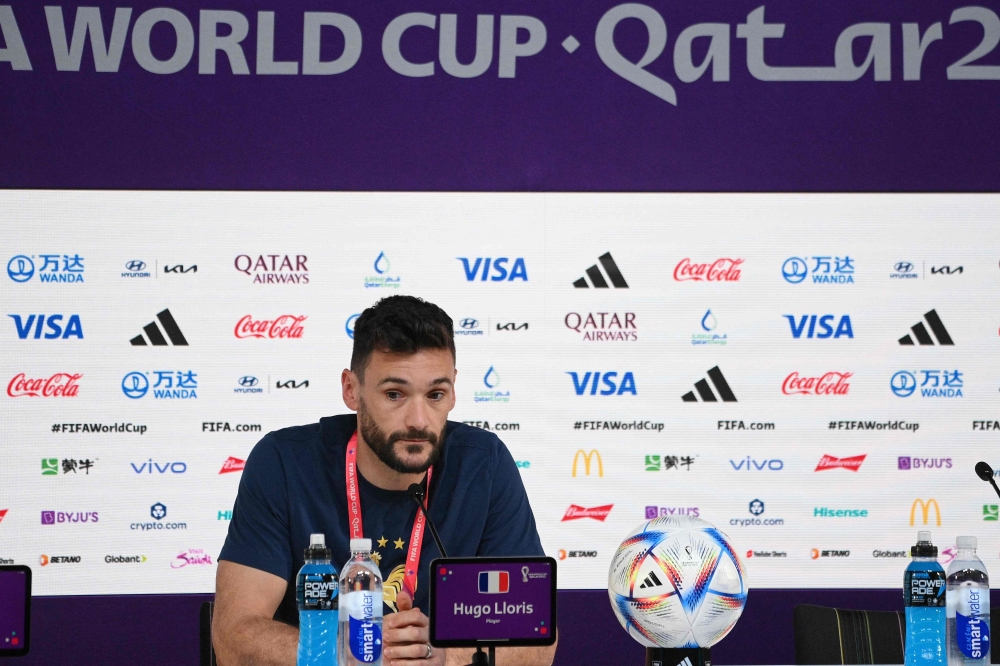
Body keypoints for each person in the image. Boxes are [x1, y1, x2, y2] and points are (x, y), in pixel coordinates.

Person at [213, 295, 556, 666]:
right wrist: (347, 653)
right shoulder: (284, 462)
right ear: (352, 390)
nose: (419, 420)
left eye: (436, 394)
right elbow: (233, 638)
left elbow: (538, 643)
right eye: (395, 394)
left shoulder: (484, 464)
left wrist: (445, 657)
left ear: (454, 390)